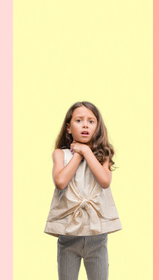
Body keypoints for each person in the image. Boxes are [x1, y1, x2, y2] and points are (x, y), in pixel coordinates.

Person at [45, 101, 122, 280]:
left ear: (98, 127)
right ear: (69, 128)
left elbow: (104, 181)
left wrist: (87, 151)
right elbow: (60, 182)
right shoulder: (60, 154)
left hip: (96, 235)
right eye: (79, 120)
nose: (85, 125)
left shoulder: (104, 154)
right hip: (69, 235)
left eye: (91, 121)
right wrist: (78, 153)